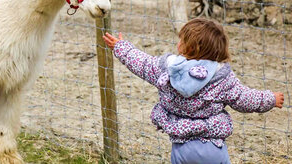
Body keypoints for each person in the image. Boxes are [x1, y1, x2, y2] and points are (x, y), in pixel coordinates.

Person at [103, 18, 284, 164]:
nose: (178, 42)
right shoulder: (222, 77)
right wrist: (270, 99)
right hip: (213, 147)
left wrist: (121, 48)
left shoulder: (169, 69)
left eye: (181, 39)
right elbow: (244, 98)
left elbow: (143, 64)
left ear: (188, 47)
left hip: (182, 148)